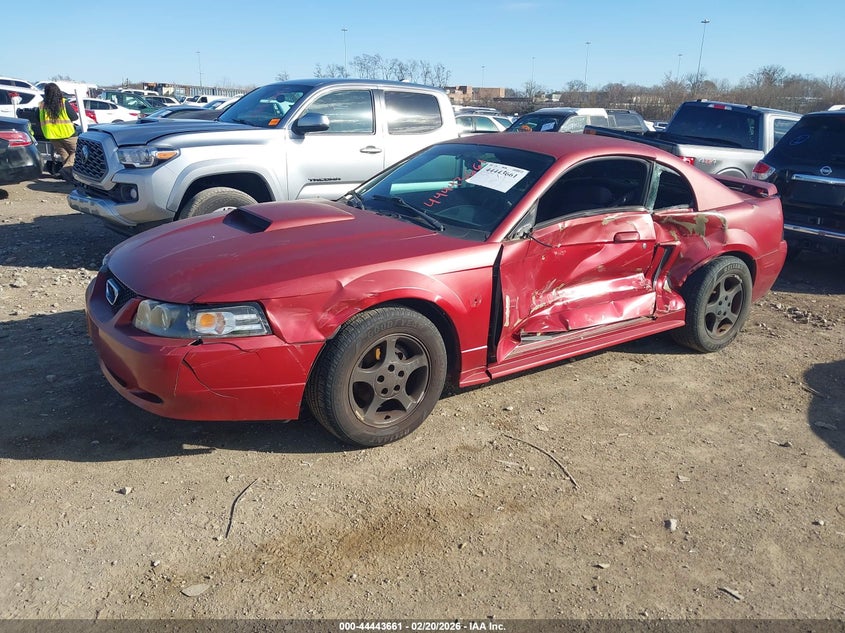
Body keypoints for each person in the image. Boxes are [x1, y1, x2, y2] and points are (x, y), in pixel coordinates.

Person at [39, 82, 78, 183]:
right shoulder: (63, 102)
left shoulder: (42, 105)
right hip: (68, 133)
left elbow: (38, 118)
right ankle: (65, 171)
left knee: (65, 155)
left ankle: (69, 177)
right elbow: (74, 117)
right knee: (78, 151)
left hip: (52, 135)